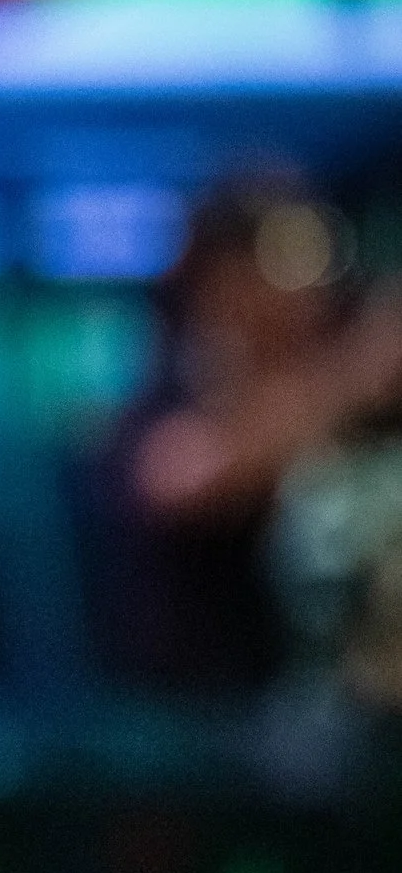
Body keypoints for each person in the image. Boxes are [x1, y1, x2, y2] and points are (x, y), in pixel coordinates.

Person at [120, 181, 402, 700]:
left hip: (330, 720)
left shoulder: (342, 403)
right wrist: (354, 375)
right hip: (197, 724)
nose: (305, 290)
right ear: (219, 279)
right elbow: (184, 482)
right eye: (279, 263)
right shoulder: (177, 387)